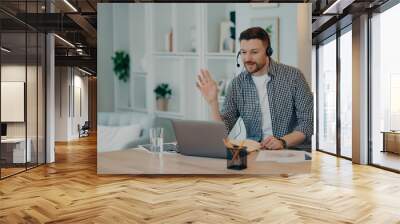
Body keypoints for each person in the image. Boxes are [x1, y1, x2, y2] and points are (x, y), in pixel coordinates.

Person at [196, 27, 313, 151]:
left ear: (268, 51)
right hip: (255, 153)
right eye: (243, 52)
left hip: (290, 151)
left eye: (254, 52)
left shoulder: (293, 76)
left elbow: (308, 123)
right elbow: (222, 131)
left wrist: (282, 142)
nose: (247, 58)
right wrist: (213, 103)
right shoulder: (237, 84)